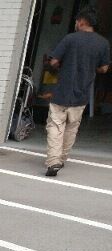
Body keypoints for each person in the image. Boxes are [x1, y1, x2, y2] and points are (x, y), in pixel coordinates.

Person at [43, 7, 110, 176]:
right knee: (71, 128)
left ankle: (53, 162)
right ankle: (62, 158)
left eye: (76, 21)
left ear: (81, 22)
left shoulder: (70, 39)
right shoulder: (103, 43)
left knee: (55, 126)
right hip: (82, 94)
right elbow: (104, 68)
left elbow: (54, 62)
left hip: (62, 92)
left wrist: (57, 64)